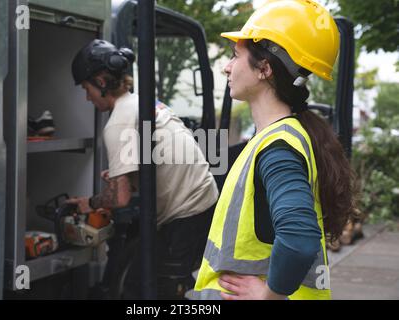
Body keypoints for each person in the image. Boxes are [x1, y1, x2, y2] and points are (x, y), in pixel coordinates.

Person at [193, 0, 359, 300]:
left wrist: (269, 295)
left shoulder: (278, 147)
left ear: (264, 68)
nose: (226, 67)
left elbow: (299, 240)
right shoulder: (280, 137)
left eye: (235, 56)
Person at [67, 39, 219, 299]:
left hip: (184, 216)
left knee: (139, 290)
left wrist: (89, 203)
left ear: (101, 82)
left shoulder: (117, 123)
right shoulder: (144, 103)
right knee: (161, 284)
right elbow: (158, 161)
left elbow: (120, 198)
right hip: (205, 205)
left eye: (86, 88)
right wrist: (128, 178)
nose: (86, 97)